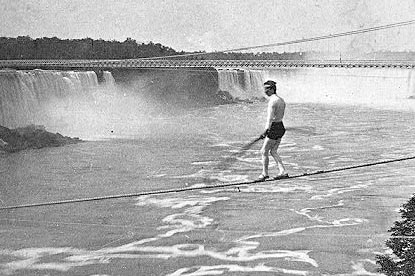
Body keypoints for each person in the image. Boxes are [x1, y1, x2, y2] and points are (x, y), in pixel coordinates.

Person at [258, 80, 288, 181]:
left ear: (272, 89)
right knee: (273, 151)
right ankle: (283, 171)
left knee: (264, 151)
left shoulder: (272, 101)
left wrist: (266, 130)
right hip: (281, 127)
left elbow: (270, 118)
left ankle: (264, 174)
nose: (265, 91)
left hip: (274, 128)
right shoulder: (281, 100)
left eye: (267, 89)